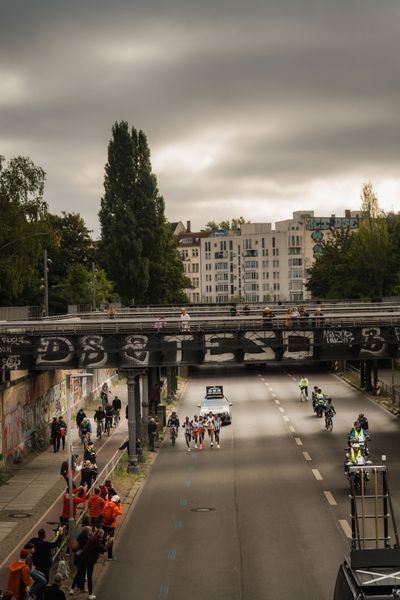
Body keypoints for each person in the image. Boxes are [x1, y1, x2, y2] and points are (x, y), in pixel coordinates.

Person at [82, 529, 111, 599]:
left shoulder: (93, 537)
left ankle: (80, 587)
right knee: (89, 577)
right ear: (99, 535)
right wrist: (109, 543)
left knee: (82, 573)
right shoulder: (96, 541)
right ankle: (90, 594)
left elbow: (99, 542)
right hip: (90, 560)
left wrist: (105, 539)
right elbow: (104, 549)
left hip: (85, 557)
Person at [69, 526, 92, 595]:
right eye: (90, 531)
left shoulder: (80, 535)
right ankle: (73, 588)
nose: (90, 532)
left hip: (78, 556)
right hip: (82, 558)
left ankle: (79, 587)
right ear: (87, 532)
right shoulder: (85, 538)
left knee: (80, 572)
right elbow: (88, 546)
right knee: (80, 572)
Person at [101, 495, 123, 560]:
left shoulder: (106, 504)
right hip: (111, 525)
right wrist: (119, 505)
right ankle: (109, 556)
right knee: (110, 539)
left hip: (104, 523)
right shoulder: (115, 507)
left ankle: (101, 552)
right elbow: (120, 512)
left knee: (103, 537)